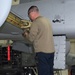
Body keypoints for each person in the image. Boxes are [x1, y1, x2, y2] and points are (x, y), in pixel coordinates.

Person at [23, 6, 55, 75]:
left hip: (42, 52)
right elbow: (41, 33)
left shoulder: (36, 22)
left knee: (43, 72)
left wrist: (25, 33)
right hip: (51, 51)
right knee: (49, 71)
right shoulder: (46, 20)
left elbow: (31, 38)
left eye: (29, 16)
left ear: (31, 13)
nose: (30, 18)